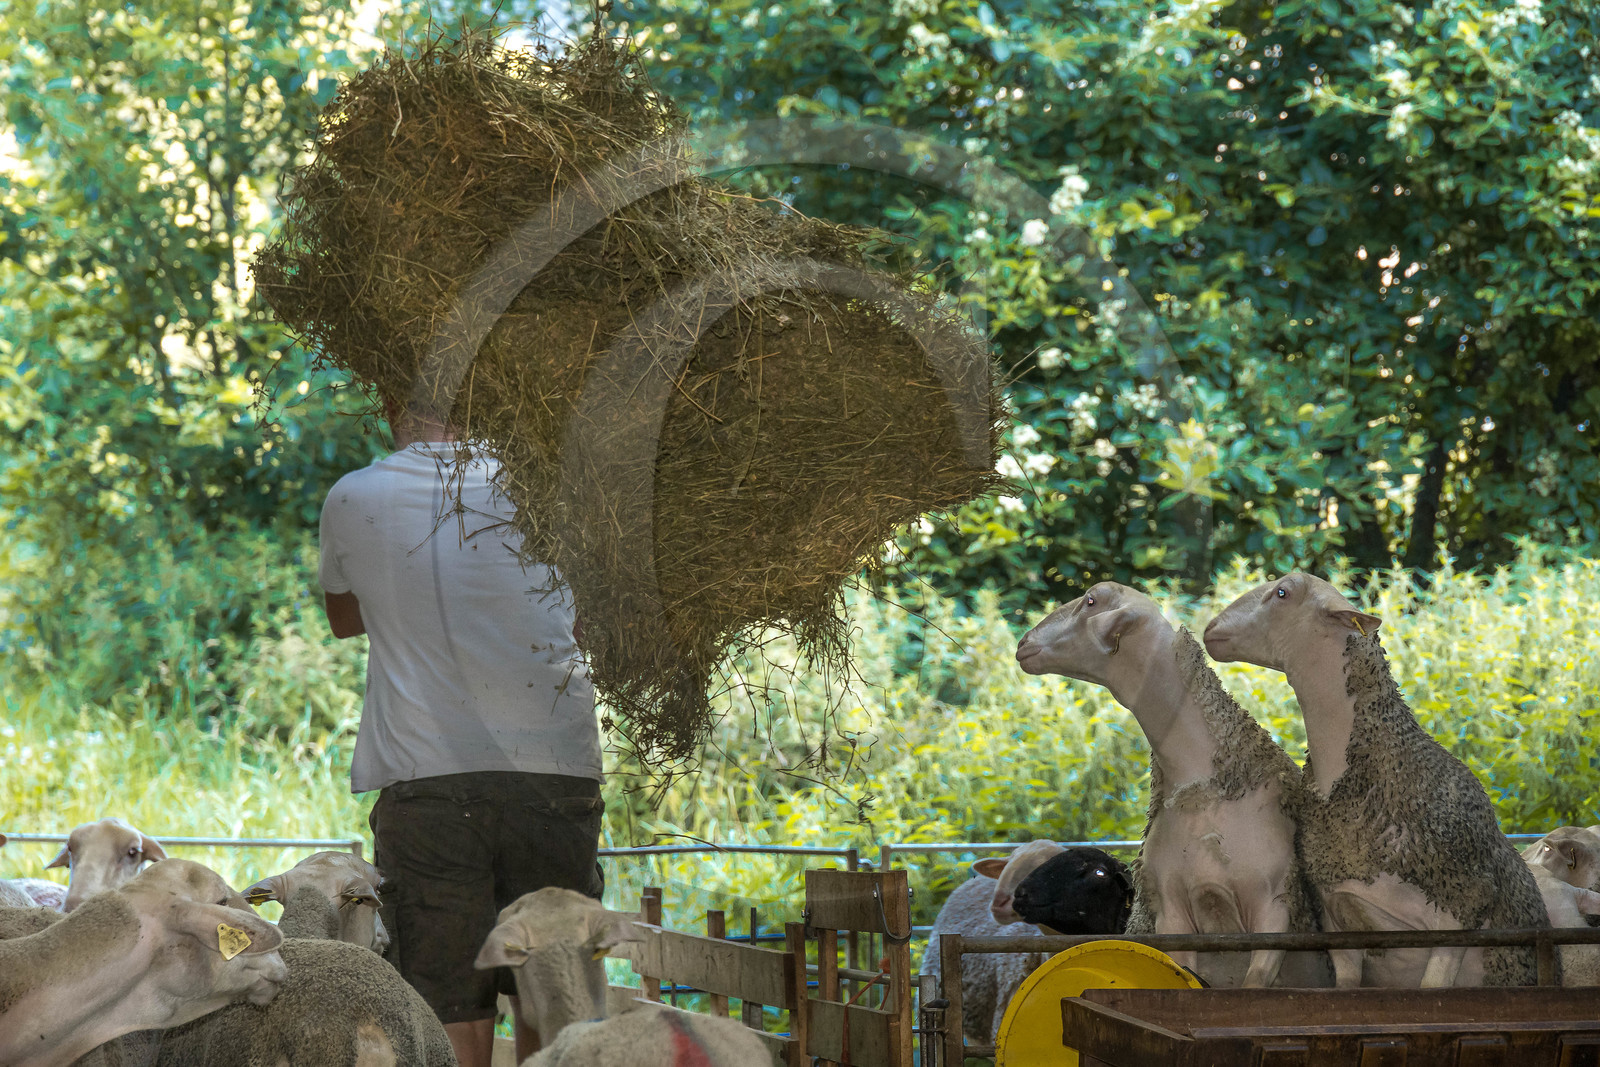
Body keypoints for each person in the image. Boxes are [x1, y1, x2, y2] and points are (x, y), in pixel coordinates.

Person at [318, 396, 604, 1067]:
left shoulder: (355, 496)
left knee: (447, 998)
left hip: (430, 779)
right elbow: (586, 625)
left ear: (391, 401)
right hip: (556, 770)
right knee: (549, 990)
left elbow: (343, 617)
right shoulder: (557, 491)